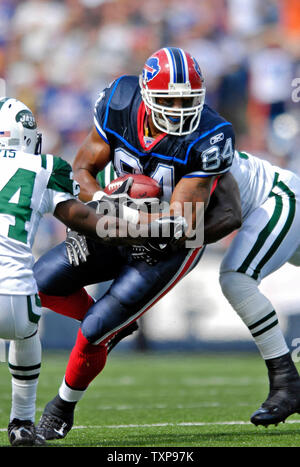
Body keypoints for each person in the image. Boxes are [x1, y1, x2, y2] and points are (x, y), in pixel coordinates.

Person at [32, 47, 241, 440]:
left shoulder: (211, 133)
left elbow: (181, 221)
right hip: (118, 222)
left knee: (94, 329)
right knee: (36, 284)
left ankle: (62, 405)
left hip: (169, 246)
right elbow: (83, 168)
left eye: (188, 100)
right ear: (145, 95)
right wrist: (101, 209)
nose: (180, 109)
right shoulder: (118, 101)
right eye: (169, 100)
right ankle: (116, 327)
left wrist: (116, 218)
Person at [0, 97, 122, 446]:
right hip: (15, 299)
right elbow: (80, 217)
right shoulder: (44, 165)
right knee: (24, 334)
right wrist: (132, 227)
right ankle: (22, 423)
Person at [219, 149, 300, 427]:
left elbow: (224, 217)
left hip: (276, 197)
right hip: (267, 203)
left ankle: (287, 382)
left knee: (237, 278)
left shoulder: (192, 142)